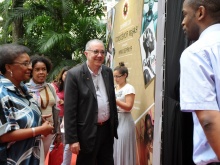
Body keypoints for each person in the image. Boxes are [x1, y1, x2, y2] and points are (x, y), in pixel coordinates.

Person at [64, 39, 118, 165]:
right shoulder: (74, 75)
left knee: (107, 162)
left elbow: (111, 100)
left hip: (106, 130)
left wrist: (114, 125)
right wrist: (72, 139)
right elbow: (70, 110)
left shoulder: (107, 72)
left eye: (102, 52)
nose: (100, 55)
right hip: (86, 132)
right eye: (96, 52)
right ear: (86, 54)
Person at [180, 0, 220, 164]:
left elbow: (208, 119)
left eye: (185, 14)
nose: (183, 22)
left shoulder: (196, 53)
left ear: (200, 13)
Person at [0, 44, 54, 165]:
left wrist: (37, 119)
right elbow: (4, 135)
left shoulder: (22, 89)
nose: (30, 67)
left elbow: (20, 117)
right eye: (25, 64)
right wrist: (39, 129)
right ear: (9, 67)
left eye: (30, 63)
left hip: (31, 156)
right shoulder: (2, 93)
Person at [26, 55, 60, 158]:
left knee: (43, 158)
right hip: (33, 132)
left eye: (44, 69)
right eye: (37, 69)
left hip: (49, 132)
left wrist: (57, 132)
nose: (41, 72)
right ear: (31, 71)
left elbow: (56, 109)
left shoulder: (50, 87)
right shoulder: (25, 89)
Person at [113, 62, 136, 165]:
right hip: (115, 119)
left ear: (125, 75)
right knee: (116, 147)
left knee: (123, 146)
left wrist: (115, 100)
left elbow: (129, 106)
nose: (115, 79)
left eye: (118, 76)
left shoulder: (129, 88)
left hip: (125, 119)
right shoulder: (114, 88)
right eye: (114, 76)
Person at [51, 66, 73, 165]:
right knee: (54, 141)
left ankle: (64, 163)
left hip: (67, 117)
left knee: (66, 141)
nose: (67, 77)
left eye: (69, 75)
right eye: (65, 75)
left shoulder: (73, 85)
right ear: (62, 75)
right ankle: (53, 161)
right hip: (56, 116)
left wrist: (66, 102)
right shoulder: (54, 86)